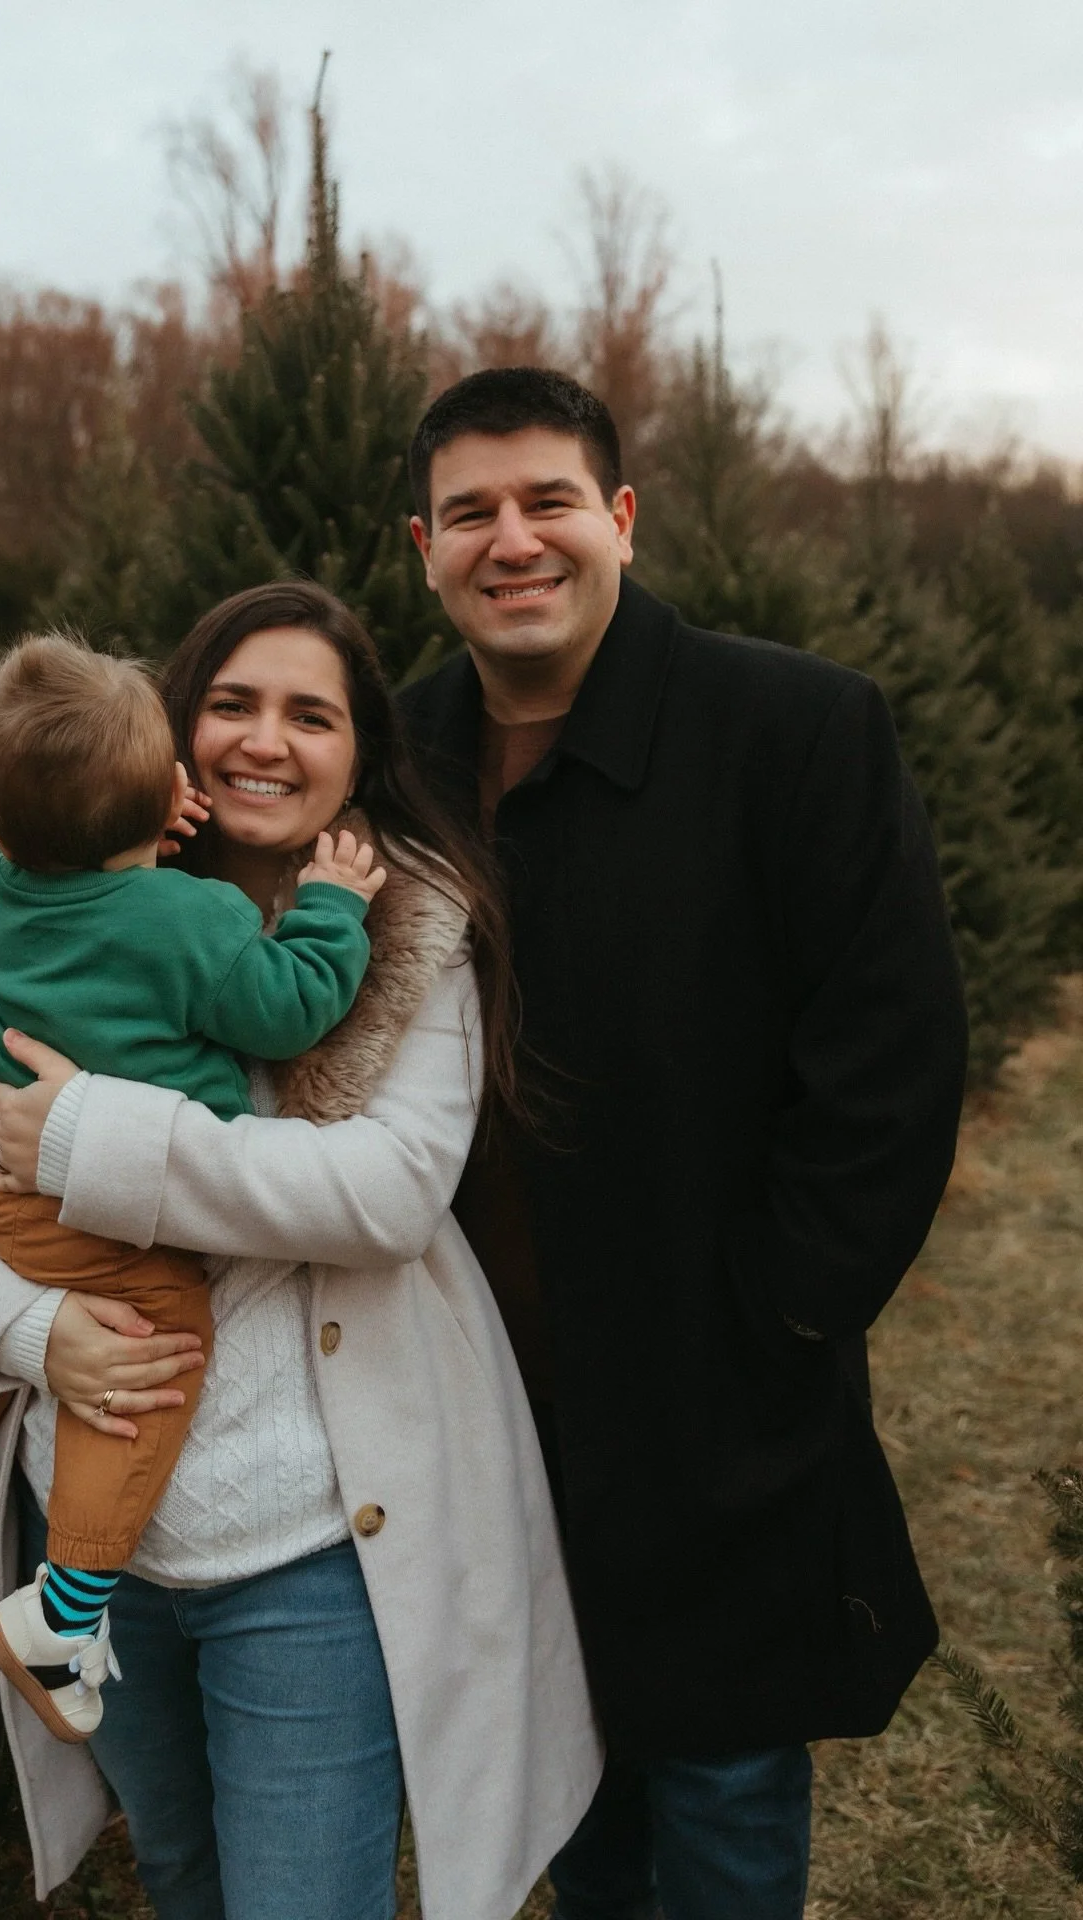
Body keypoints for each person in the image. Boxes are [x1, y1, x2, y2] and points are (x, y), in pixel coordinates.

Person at [0, 581, 601, 1920]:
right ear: (172, 736)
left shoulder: (411, 928)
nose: (267, 740)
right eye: (233, 705)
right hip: (107, 1553)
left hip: (312, 1551)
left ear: (357, 752)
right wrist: (34, 1334)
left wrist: (87, 1139)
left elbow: (382, 1195)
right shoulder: (92, 881)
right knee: (183, 1877)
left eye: (310, 715)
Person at [394, 367, 970, 1920]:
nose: (513, 540)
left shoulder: (792, 728)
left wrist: (778, 1313)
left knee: (718, 1784)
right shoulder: (391, 761)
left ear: (621, 521)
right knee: (566, 1783)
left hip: (717, 1381)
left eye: (548, 502)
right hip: (478, 1392)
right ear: (424, 549)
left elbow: (893, 1064)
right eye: (471, 513)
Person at [0, 631, 385, 1745]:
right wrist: (333, 910)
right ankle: (65, 1613)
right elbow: (290, 1006)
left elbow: (74, 865)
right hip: (108, 1226)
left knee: (10, 1253)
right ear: (171, 789)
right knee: (149, 1357)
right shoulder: (189, 918)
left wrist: (129, 826)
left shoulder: (8, 884)